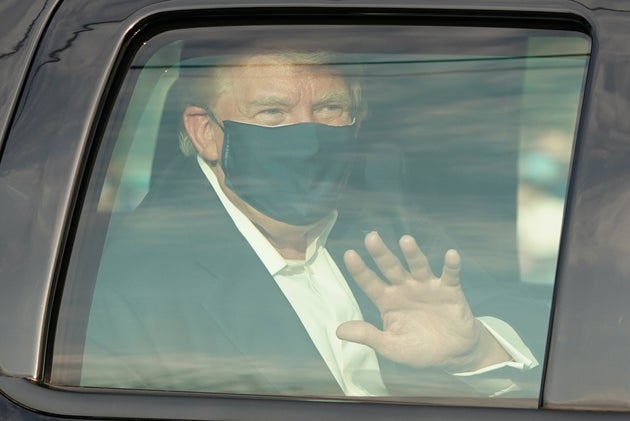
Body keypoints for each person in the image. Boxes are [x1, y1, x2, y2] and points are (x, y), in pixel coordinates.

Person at [82, 50, 540, 397]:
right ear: (206, 132)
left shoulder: (393, 229)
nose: (308, 139)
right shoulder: (123, 282)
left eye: (329, 110)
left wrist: (475, 351)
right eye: (272, 113)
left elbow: (548, 328)